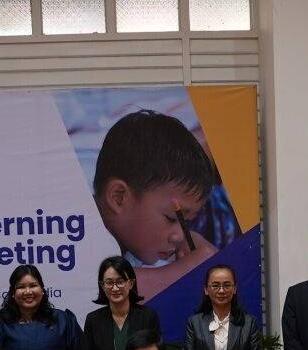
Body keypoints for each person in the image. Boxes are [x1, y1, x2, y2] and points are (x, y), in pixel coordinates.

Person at [92, 108, 219, 298]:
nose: (178, 236)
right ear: (118, 197)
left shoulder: (134, 245)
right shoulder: (72, 234)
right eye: (170, 218)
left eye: (186, 223)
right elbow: (100, 288)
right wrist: (190, 268)